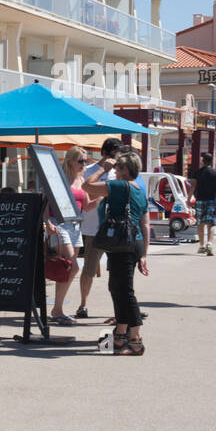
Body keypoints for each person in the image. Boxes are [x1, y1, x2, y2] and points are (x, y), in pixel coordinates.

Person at [83, 150, 149, 355]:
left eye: (117, 168)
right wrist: (144, 253)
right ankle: (119, 335)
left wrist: (103, 168)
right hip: (132, 242)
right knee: (117, 288)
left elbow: (87, 186)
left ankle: (136, 339)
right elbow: (144, 223)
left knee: (124, 291)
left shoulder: (121, 186)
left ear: (125, 170)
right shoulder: (139, 188)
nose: (114, 171)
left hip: (123, 243)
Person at [75, 138, 121, 319]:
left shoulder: (119, 173)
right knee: (89, 269)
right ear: (104, 153)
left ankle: (119, 310)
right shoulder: (90, 171)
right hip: (94, 227)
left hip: (116, 229)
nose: (114, 160)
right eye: (112, 155)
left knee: (118, 271)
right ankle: (83, 304)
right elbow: (88, 193)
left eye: (117, 157)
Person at [49, 146, 90, 325]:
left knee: (69, 268)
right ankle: (57, 309)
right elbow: (45, 202)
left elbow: (87, 206)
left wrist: (106, 197)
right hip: (59, 224)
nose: (83, 164)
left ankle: (57, 309)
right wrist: (47, 223)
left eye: (85, 161)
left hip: (75, 226)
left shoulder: (82, 180)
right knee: (72, 267)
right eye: (80, 161)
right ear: (71, 161)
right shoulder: (60, 179)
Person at [191, 153, 216, 256]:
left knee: (200, 223)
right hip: (212, 201)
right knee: (211, 224)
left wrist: (188, 199)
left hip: (200, 201)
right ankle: (209, 243)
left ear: (203, 161)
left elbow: (192, 187)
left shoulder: (197, 173)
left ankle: (201, 246)